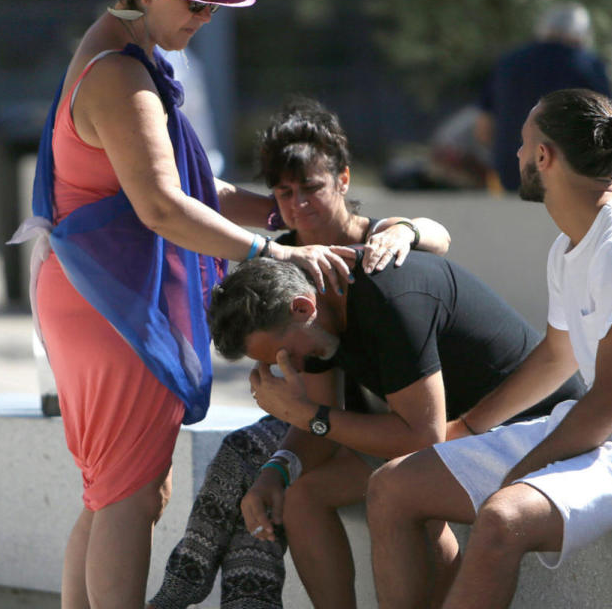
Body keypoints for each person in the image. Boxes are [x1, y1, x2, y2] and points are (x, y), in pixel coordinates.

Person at [10, 0, 355, 609]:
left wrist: (282, 215)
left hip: (97, 294)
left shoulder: (128, 55)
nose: (205, 19)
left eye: (214, 6)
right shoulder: (121, 76)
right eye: (194, 3)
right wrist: (268, 249)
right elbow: (164, 209)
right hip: (112, 305)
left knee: (111, 490)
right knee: (130, 497)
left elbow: (200, 191)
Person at [367, 89, 612, 609]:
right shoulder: (569, 245)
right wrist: (467, 429)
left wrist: (521, 471)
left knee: (502, 517)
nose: (513, 156)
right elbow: (557, 356)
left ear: (543, 157)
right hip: (600, 430)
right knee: (391, 488)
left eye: (521, 143)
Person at [148, 97, 455, 609]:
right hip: (328, 411)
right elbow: (315, 388)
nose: (299, 205)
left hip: (392, 414)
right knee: (251, 460)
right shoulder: (283, 256)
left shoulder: (377, 245)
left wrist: (409, 229)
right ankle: (214, 581)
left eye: (311, 187)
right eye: (284, 193)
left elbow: (439, 237)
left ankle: (202, 584)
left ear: (344, 181)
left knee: (269, 465)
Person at [203, 252, 585, 609]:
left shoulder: (390, 301)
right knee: (302, 496)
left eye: (285, 356)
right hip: (459, 433)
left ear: (303, 307)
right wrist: (277, 469)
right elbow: (325, 421)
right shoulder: (315, 321)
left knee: (399, 488)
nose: (289, 367)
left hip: (536, 427)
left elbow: (422, 439)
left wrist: (306, 414)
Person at [477, 3, 612, 191]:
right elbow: (611, 128)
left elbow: (483, 128)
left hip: (512, 173)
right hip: (570, 175)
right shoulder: (587, 65)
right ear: (580, 33)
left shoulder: (508, 63)